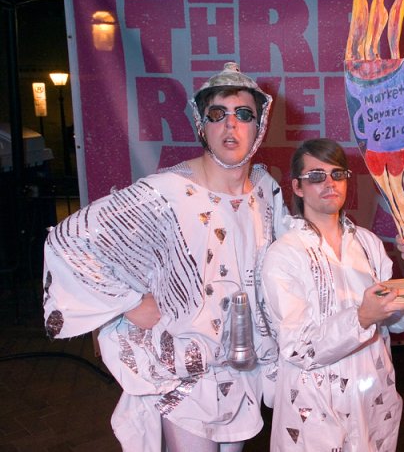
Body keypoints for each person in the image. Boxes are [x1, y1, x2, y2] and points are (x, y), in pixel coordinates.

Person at [42, 62, 290, 452]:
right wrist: (129, 303)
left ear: (259, 125)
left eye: (244, 114)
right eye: (217, 114)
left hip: (242, 368)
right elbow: (70, 241)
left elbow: (295, 252)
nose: (231, 125)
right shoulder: (166, 191)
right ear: (201, 125)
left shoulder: (264, 188)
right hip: (182, 372)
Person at [261, 138, 404, 451]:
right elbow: (298, 347)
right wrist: (363, 317)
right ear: (297, 187)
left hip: (372, 396)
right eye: (316, 177)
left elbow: (398, 320)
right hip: (315, 405)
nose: (329, 183)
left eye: (337, 175)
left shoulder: (367, 243)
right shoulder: (284, 254)